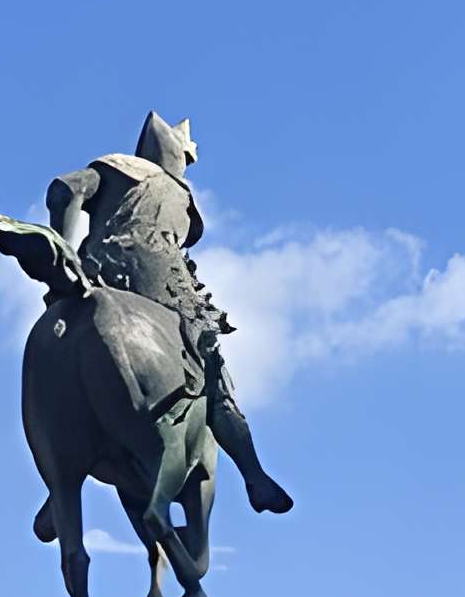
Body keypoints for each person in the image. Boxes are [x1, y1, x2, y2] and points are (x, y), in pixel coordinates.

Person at [45, 111, 293, 515]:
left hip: (92, 276)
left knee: (59, 358)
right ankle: (254, 475)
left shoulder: (109, 169)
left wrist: (66, 255)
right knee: (211, 368)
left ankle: (56, 485)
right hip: (160, 283)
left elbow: (63, 192)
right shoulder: (176, 195)